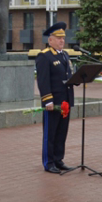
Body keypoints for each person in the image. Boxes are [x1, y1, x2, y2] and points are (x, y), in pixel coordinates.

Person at [35, 22, 74, 174]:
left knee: (61, 132)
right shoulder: (44, 56)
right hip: (53, 101)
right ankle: (49, 162)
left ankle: (58, 159)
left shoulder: (64, 55)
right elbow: (43, 80)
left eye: (63, 38)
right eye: (58, 38)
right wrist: (48, 100)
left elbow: (67, 76)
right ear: (50, 39)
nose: (62, 41)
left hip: (65, 101)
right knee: (50, 134)